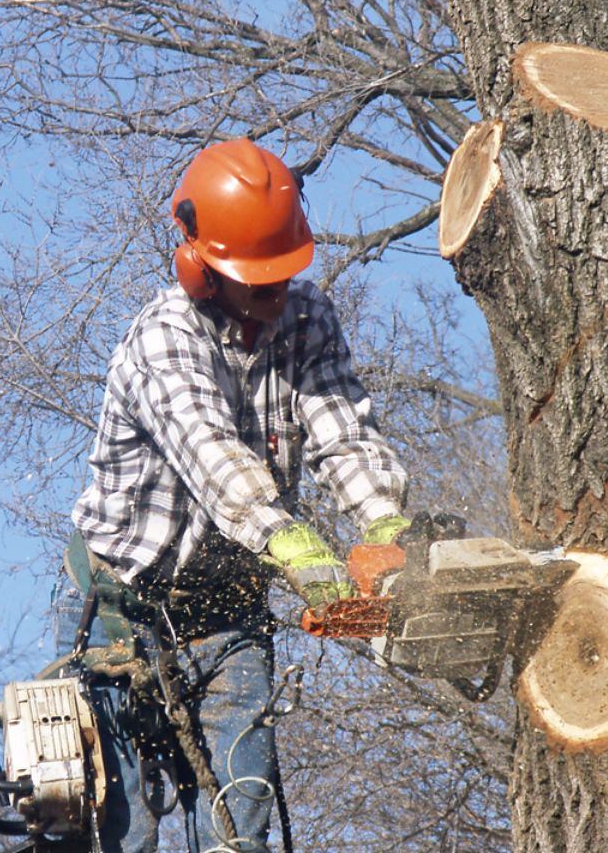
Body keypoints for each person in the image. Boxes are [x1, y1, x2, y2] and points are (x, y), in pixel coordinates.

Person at [65, 138, 412, 852]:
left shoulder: (307, 318)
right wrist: (298, 547)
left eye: (283, 276)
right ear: (200, 268)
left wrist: (385, 525)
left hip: (230, 616)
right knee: (119, 838)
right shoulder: (164, 338)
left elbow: (342, 430)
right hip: (122, 611)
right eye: (259, 283)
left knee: (239, 832)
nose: (276, 296)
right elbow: (214, 456)